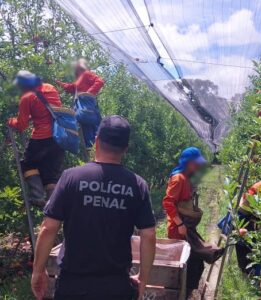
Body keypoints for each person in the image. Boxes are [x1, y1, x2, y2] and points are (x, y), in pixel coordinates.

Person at [31, 115, 156, 300]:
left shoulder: (71, 177)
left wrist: (37, 271)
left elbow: (48, 228)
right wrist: (143, 278)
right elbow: (149, 235)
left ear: (96, 141)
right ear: (125, 149)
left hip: (73, 286)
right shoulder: (137, 185)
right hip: (116, 286)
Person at [162, 147, 223, 295]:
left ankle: (184, 293)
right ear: (188, 163)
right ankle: (179, 293)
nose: (198, 166)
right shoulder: (179, 178)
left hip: (185, 228)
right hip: (180, 229)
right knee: (190, 264)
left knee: (194, 263)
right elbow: (167, 202)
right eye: (196, 163)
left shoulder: (185, 177)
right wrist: (180, 224)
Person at [7, 70, 65, 206]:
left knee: (28, 164)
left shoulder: (27, 97)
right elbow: (49, 111)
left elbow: (21, 125)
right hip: (58, 138)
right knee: (51, 174)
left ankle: (38, 196)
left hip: (41, 139)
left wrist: (11, 121)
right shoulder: (51, 88)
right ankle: (53, 204)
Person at [56, 59, 105, 149]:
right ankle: (92, 151)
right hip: (83, 109)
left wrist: (88, 93)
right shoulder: (80, 79)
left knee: (95, 130)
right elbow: (71, 87)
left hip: (88, 107)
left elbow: (100, 81)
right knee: (88, 129)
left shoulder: (86, 74)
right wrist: (58, 83)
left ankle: (99, 151)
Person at [236, 180, 261, 274]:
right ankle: (249, 269)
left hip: (245, 214)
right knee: (245, 242)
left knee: (243, 242)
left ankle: (246, 268)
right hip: (245, 215)